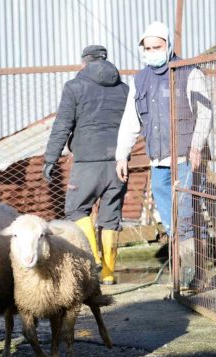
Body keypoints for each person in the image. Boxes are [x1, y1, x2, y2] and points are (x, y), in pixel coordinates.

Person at [115, 21, 212, 288]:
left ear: (168, 46)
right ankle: (185, 273)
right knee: (170, 221)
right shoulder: (139, 80)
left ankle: (194, 277)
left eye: (157, 47)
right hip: (158, 161)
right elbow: (130, 121)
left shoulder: (189, 72)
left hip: (186, 158)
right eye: (147, 48)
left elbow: (205, 112)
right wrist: (122, 155)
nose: (152, 52)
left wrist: (197, 145)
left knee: (187, 216)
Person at [43, 45, 129, 285]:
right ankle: (108, 274)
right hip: (118, 162)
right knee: (110, 218)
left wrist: (51, 158)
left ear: (84, 62)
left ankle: (93, 260)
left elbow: (62, 125)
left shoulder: (74, 87)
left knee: (77, 210)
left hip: (87, 163)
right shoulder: (124, 89)